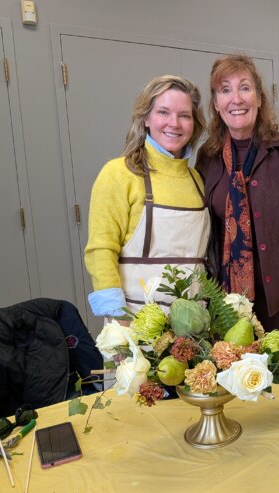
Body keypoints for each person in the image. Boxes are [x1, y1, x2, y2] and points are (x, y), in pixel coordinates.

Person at [196, 54, 279, 333]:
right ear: (216, 104)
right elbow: (204, 233)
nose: (236, 99)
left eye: (245, 87)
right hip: (228, 307)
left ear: (259, 98)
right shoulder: (208, 158)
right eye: (225, 90)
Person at [85, 75, 210, 319]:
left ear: (194, 124)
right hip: (135, 321)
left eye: (184, 115)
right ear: (146, 118)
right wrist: (118, 319)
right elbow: (101, 249)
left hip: (193, 325)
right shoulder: (119, 173)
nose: (174, 123)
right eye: (163, 112)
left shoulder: (197, 180)